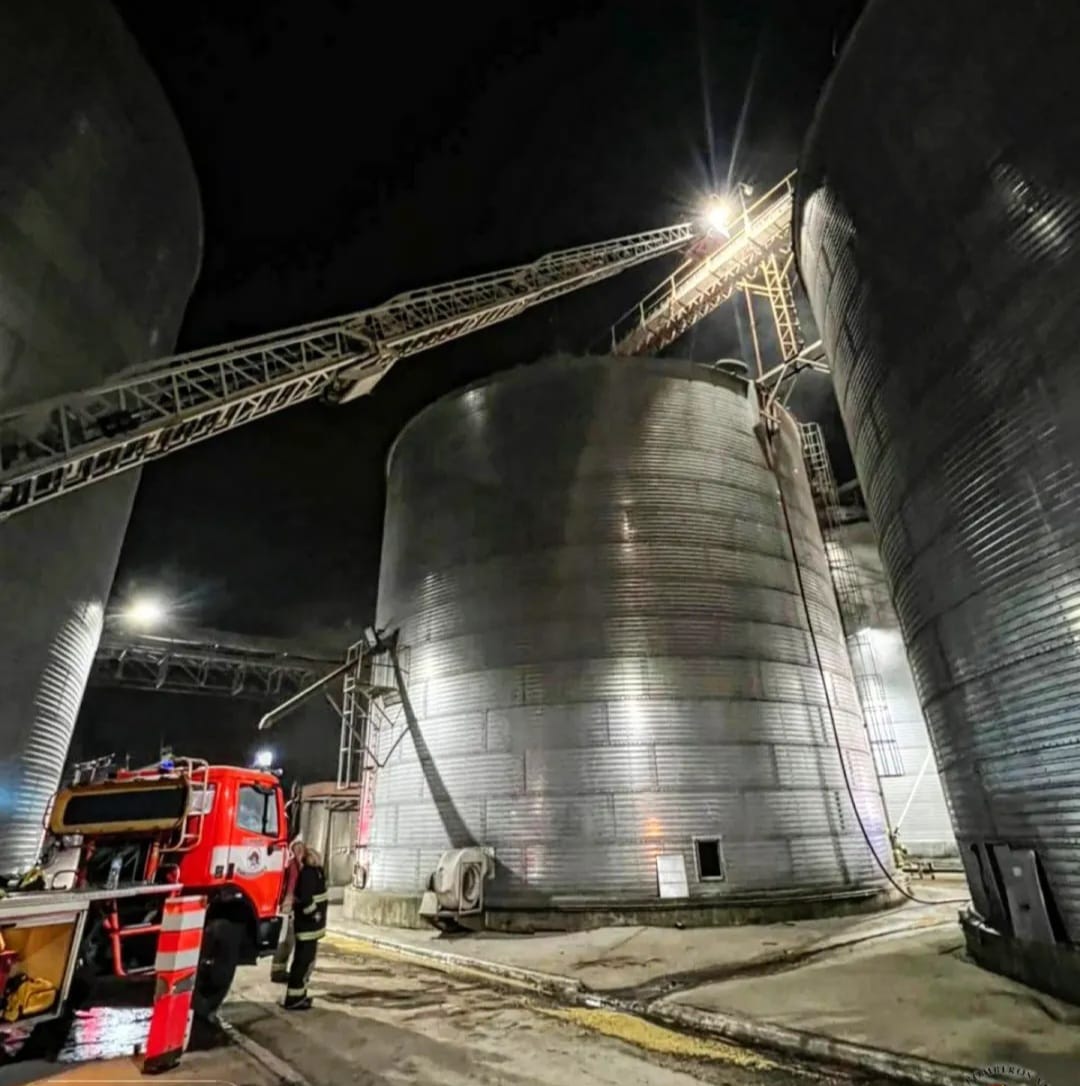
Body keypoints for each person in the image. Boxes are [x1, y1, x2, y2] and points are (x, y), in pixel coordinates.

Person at [283, 846, 328, 1010]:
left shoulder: (315, 871)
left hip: (312, 929)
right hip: (307, 927)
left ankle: (299, 996)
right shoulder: (309, 873)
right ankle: (294, 999)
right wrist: (314, 913)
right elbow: (306, 898)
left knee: (306, 962)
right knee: (302, 962)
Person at [270, 837, 305, 984]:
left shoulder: (297, 865)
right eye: (298, 849)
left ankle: (279, 971)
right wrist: (288, 905)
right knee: (286, 941)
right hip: (287, 907)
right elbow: (291, 887)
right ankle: (277, 972)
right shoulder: (293, 866)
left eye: (302, 850)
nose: (300, 852)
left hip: (290, 907)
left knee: (288, 941)